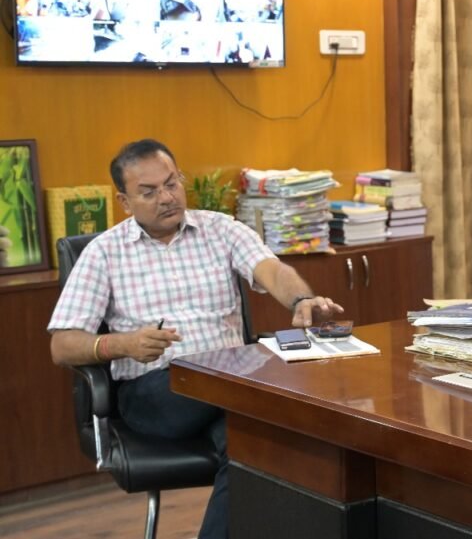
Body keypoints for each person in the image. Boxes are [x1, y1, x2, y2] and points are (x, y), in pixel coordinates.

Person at [48, 139, 342, 539]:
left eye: (172, 183)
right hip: (155, 392)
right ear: (124, 201)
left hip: (231, 386)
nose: (167, 197)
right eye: (149, 192)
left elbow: (272, 270)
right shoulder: (104, 253)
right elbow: (62, 345)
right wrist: (122, 344)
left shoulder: (220, 229)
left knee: (250, 448)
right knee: (265, 410)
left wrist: (302, 299)